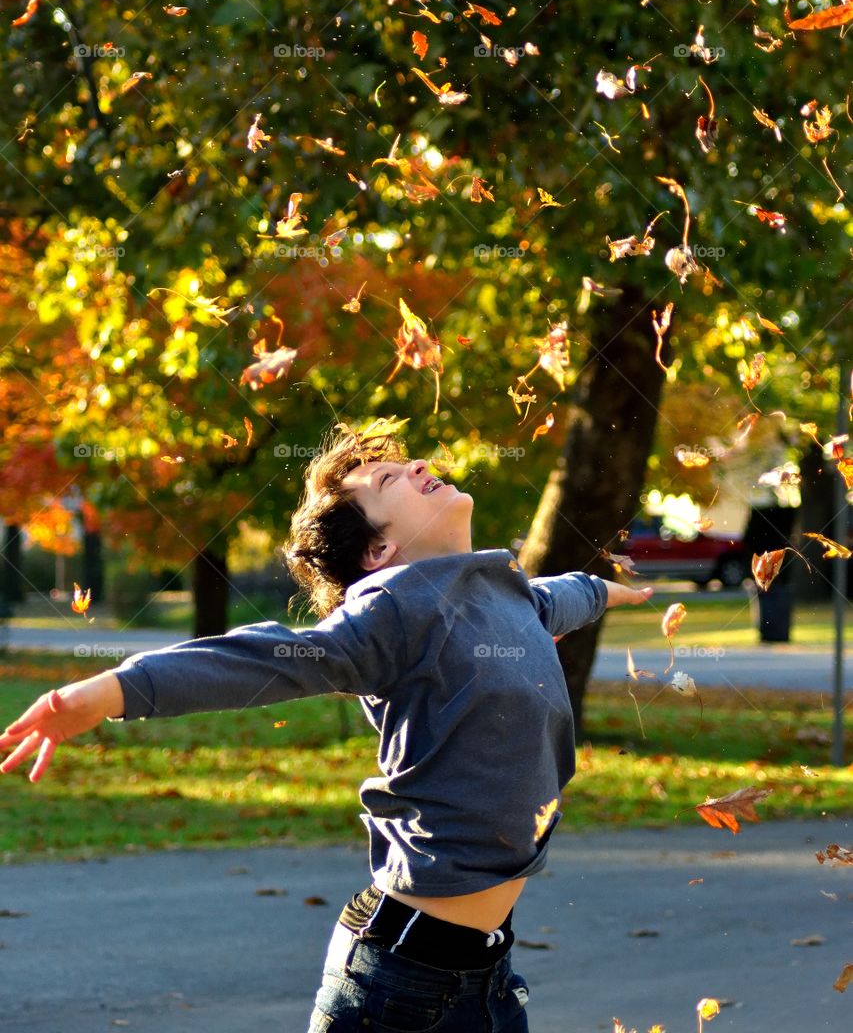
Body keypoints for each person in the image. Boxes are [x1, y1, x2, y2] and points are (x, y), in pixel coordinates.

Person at [0, 421, 654, 1032]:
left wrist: (610, 593)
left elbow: (557, 597)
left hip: (486, 977)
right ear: (379, 550)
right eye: (390, 480)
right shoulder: (392, 612)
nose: (418, 466)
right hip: (402, 985)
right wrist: (105, 693)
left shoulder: (500, 593)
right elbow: (260, 658)